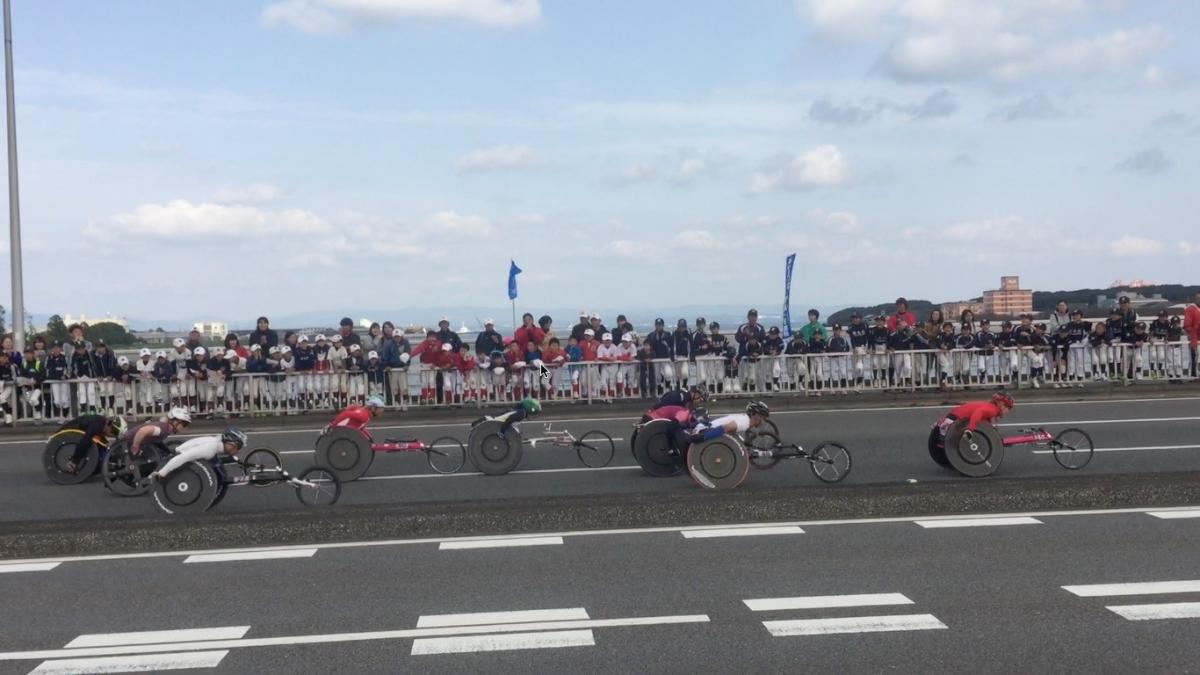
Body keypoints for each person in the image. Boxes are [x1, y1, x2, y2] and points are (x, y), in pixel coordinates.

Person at [931, 392, 1014, 456]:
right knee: (957, 449)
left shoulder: (987, 406)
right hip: (951, 425)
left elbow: (983, 425)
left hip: (949, 421)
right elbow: (978, 412)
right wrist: (969, 429)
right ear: (1002, 405)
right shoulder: (993, 410)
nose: (1008, 412)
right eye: (1009, 408)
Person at [151, 428, 247, 481]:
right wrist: (162, 472)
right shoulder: (210, 449)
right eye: (238, 447)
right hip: (176, 457)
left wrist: (235, 460)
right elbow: (182, 458)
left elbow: (217, 461)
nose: (238, 450)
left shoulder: (216, 444)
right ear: (230, 444)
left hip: (185, 452)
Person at [56, 413, 127, 473]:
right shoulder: (97, 426)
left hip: (82, 432)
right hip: (67, 435)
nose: (113, 435)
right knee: (97, 452)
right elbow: (84, 442)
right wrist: (74, 461)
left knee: (104, 448)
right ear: (110, 425)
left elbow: (105, 442)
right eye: (115, 432)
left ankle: (108, 463)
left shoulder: (103, 424)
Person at [691, 401, 770, 444]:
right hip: (703, 431)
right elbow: (726, 428)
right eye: (763, 418)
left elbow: (730, 431)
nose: (764, 421)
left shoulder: (745, 418)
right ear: (756, 416)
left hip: (704, 427)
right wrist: (704, 437)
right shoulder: (745, 423)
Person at [125, 407, 192, 456]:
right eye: (184, 424)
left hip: (137, 444)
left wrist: (169, 453)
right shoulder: (162, 429)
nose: (185, 427)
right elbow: (143, 431)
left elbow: (156, 441)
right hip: (126, 445)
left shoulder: (167, 429)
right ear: (175, 422)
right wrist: (135, 447)